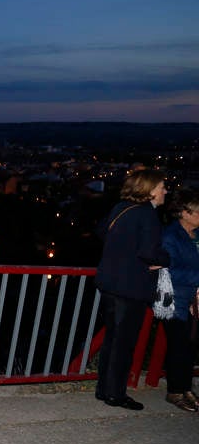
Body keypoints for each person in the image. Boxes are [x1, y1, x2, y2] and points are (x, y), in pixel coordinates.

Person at [94, 169, 169, 410]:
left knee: (112, 341)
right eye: (161, 186)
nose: (165, 190)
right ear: (149, 190)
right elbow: (149, 252)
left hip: (109, 284)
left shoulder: (121, 208)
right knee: (123, 343)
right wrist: (166, 258)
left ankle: (104, 389)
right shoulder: (147, 214)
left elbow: (101, 231)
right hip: (130, 288)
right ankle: (115, 394)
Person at [160, 188, 199, 411]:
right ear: (184, 213)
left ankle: (186, 389)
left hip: (194, 300)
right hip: (175, 300)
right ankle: (175, 391)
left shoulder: (196, 235)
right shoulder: (170, 236)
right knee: (178, 346)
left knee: (191, 346)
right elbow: (170, 270)